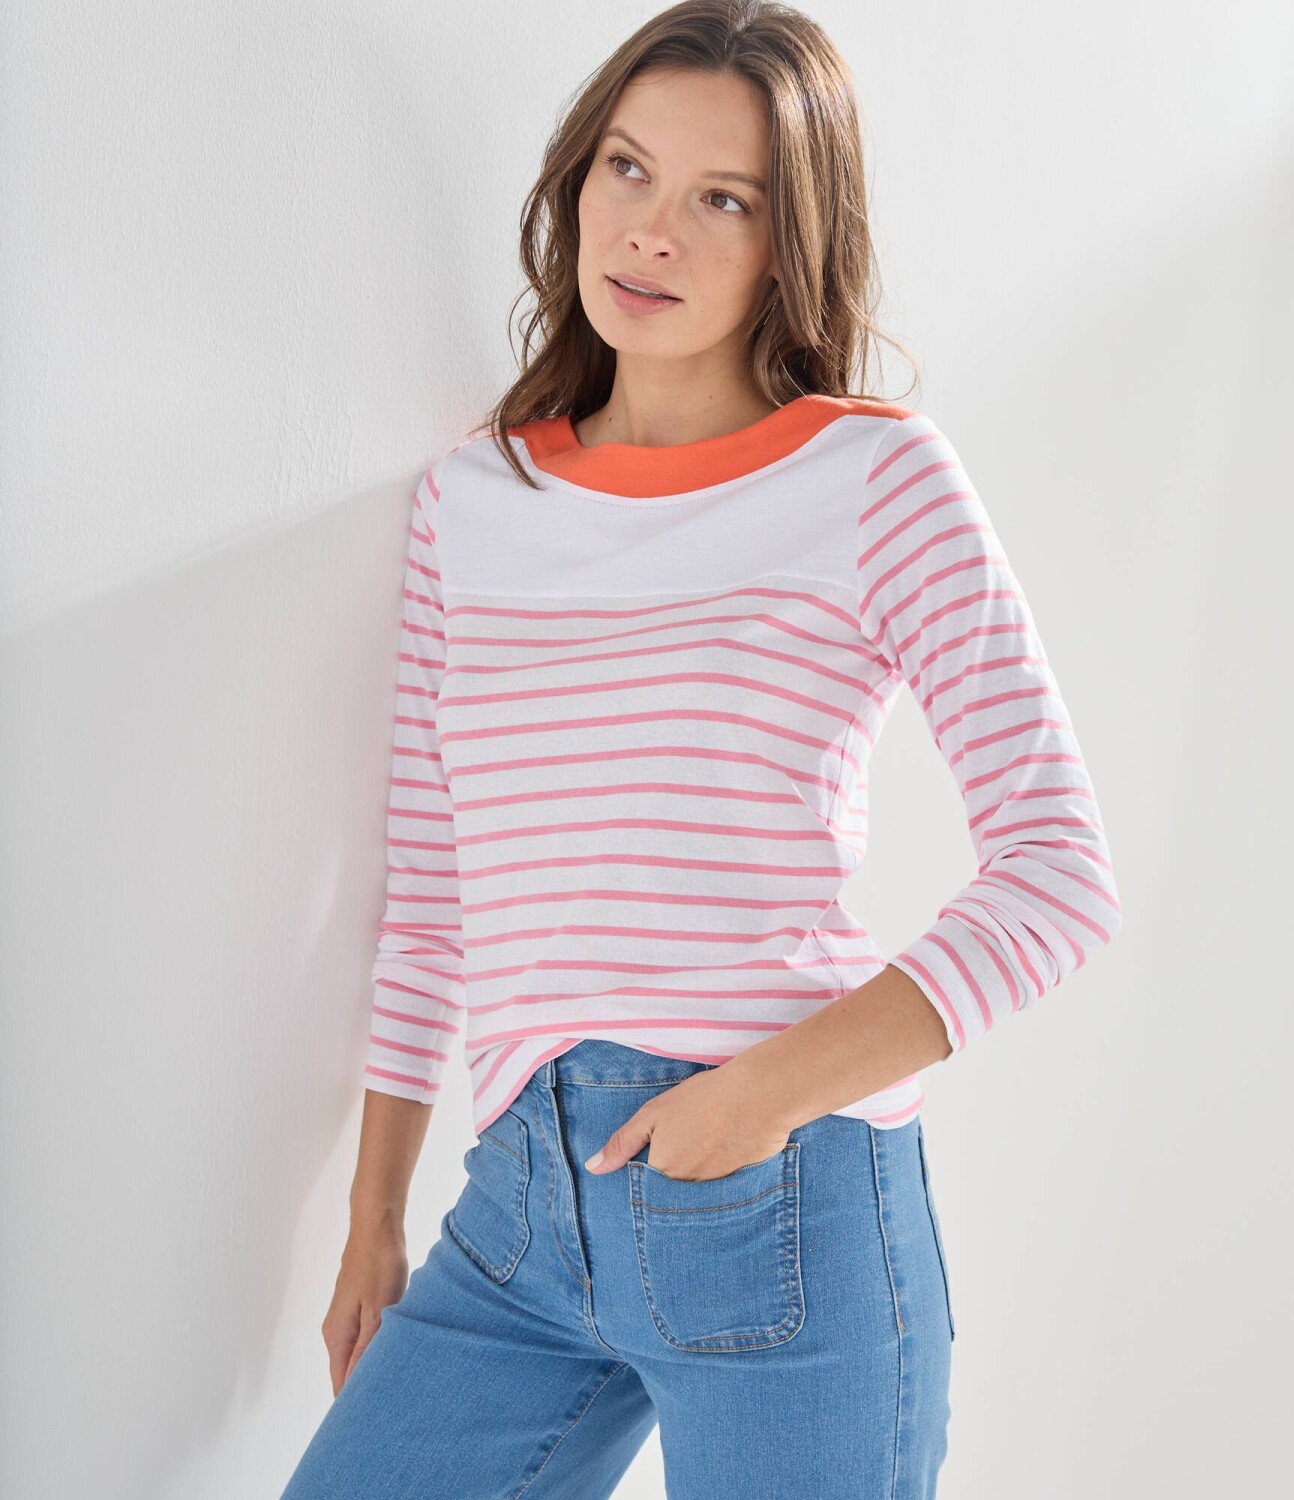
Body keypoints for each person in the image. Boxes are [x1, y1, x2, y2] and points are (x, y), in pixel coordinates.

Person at [280, 2, 1123, 1495]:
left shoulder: (875, 479)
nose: (651, 231)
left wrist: (759, 1098)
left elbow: (1059, 875)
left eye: (723, 199)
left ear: (790, 242)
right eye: (627, 168)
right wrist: (373, 1224)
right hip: (520, 1219)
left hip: (781, 1208)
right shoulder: (473, 503)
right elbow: (434, 898)